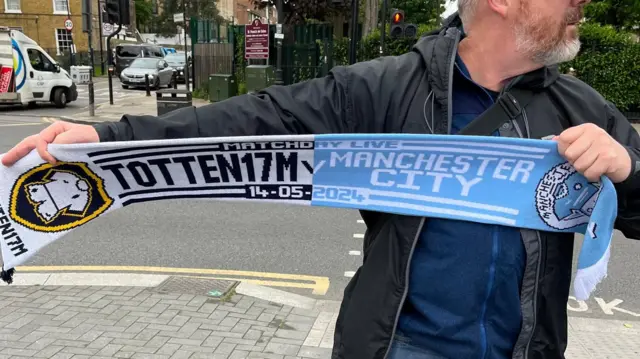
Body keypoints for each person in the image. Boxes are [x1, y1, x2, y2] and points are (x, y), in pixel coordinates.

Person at [3, 0, 640, 357]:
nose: (578, 2)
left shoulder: (583, 112)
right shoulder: (389, 87)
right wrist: (107, 138)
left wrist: (629, 169)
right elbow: (253, 123)